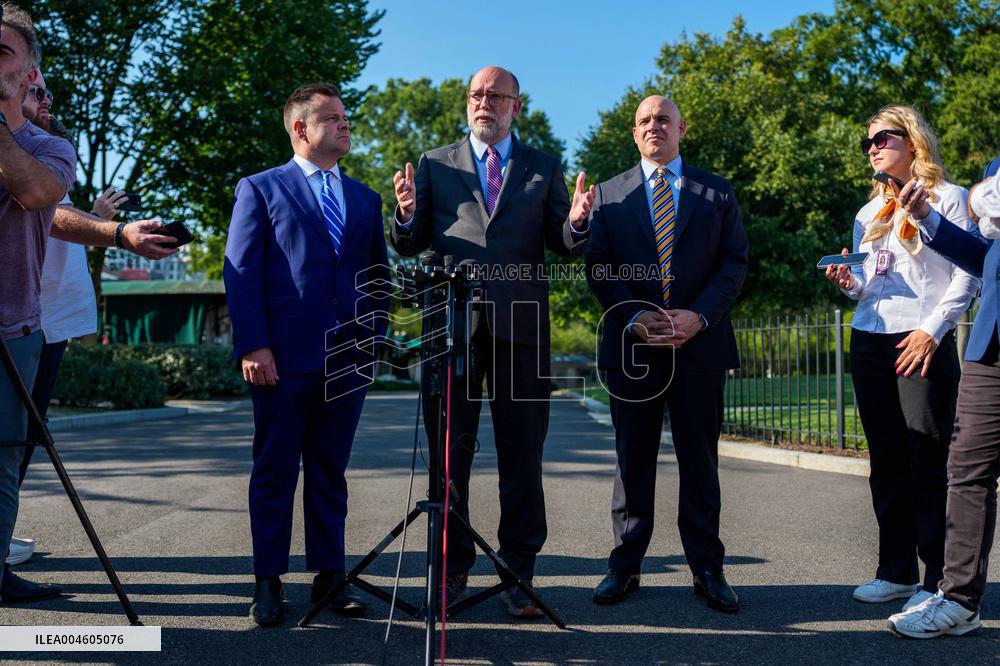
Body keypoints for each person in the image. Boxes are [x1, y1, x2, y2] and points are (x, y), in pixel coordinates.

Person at [391, 65, 592, 617]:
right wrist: (405, 216)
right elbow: (409, 243)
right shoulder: (434, 163)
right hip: (451, 330)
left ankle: (518, 572)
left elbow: (564, 242)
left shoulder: (544, 168)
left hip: (521, 332)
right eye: (477, 95)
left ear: (515, 107)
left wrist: (576, 223)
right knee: (449, 458)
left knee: (521, 455)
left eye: (495, 96)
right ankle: (451, 571)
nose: (484, 103)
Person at [224, 82, 389, 627]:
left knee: (330, 472)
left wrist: (374, 337)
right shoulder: (260, 189)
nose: (345, 124)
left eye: (346, 117)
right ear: (300, 128)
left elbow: (377, 277)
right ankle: (267, 582)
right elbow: (241, 272)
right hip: (281, 358)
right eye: (333, 117)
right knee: (274, 472)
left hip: (347, 360)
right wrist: (253, 343)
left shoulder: (366, 198)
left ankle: (329, 577)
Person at [584, 96, 748, 613]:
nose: (653, 127)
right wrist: (634, 316)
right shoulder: (607, 196)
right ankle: (625, 566)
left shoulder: (716, 192)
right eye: (644, 121)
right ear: (634, 134)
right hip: (633, 349)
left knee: (699, 461)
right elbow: (599, 266)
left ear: (681, 127)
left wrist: (698, 317)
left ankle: (707, 568)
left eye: (662, 119)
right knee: (633, 461)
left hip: (699, 347)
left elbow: (734, 260)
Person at [6, 69, 176, 568]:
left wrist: (100, 216)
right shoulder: (21, 152)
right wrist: (114, 228)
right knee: (15, 434)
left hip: (48, 318)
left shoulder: (50, 149)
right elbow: (52, 215)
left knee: (24, 434)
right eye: (37, 91)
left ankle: (2, 530)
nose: (47, 99)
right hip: (26, 316)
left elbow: (58, 210)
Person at [824, 104, 979, 612]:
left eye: (883, 138)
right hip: (869, 337)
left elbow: (968, 274)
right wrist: (851, 283)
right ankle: (895, 570)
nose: (872, 148)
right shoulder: (868, 214)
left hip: (921, 341)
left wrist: (933, 330)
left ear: (912, 140)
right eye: (867, 142)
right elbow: (873, 279)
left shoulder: (950, 199)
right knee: (886, 460)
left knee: (928, 463)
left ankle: (939, 579)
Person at [885, 158, 1000, 638]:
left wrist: (978, 198)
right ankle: (958, 601)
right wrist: (930, 220)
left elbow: (983, 201)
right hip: (990, 344)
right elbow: (986, 258)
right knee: (967, 472)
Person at [0, 2, 76, 604]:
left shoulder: (51, 148)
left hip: (13, 327)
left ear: (28, 74)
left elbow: (35, 193)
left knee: (3, 460)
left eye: (2, 52)